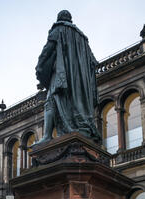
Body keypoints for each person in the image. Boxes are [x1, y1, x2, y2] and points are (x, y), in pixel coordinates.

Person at [36, 10, 101, 144]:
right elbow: (93, 62)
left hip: (61, 74)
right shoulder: (83, 38)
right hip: (80, 82)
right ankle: (75, 128)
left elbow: (47, 50)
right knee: (73, 105)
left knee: (50, 101)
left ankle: (47, 136)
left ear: (59, 18)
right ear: (70, 19)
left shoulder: (58, 29)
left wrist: (40, 68)